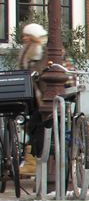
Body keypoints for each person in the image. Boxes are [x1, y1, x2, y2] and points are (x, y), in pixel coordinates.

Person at [17, 23, 48, 175]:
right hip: (33, 97)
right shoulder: (29, 52)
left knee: (37, 124)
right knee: (30, 124)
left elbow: (40, 71)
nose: (24, 39)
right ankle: (32, 161)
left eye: (27, 37)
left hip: (46, 98)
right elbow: (23, 71)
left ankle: (34, 162)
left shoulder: (43, 52)